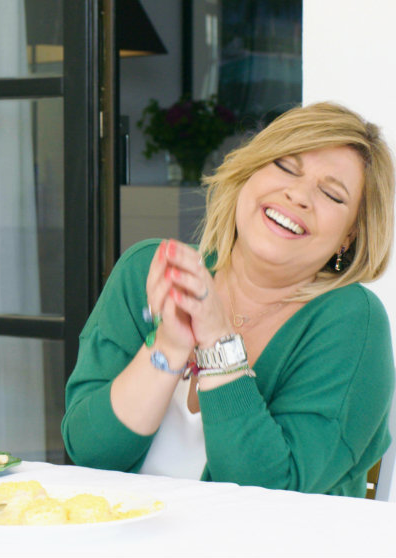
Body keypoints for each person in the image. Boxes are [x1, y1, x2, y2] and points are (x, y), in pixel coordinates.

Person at [62, 102, 395, 496]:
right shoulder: (149, 271)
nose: (298, 195)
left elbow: (272, 492)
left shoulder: (351, 322)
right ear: (249, 173)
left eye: (331, 194)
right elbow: (89, 453)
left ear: (350, 235)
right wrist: (167, 347)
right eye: (286, 167)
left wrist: (218, 342)